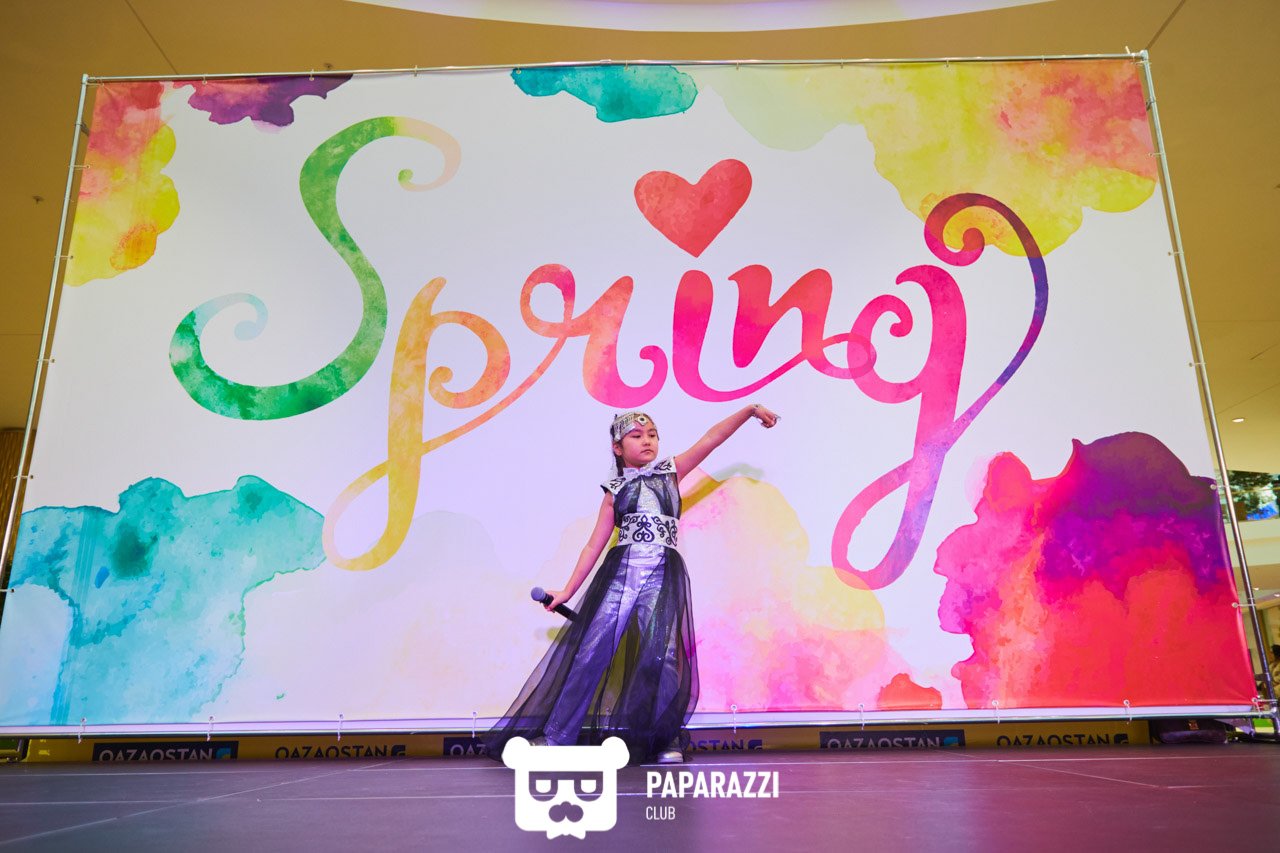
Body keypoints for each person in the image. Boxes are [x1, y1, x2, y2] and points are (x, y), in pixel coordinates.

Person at [484, 404, 780, 764]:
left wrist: (748, 411)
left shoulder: (671, 472)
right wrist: (568, 591)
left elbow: (711, 439)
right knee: (590, 652)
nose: (647, 441)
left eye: (652, 435)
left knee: (663, 657)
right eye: (636, 436)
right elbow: (593, 545)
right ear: (617, 448)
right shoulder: (614, 491)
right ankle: (558, 737)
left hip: (660, 574)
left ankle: (665, 741)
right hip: (621, 574)